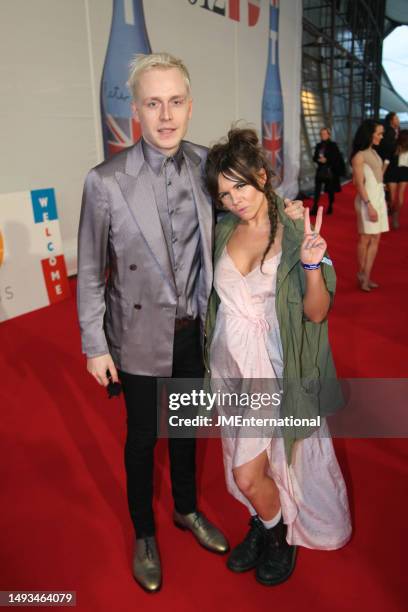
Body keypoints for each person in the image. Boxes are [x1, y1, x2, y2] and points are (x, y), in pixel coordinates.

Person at [77, 53, 228, 593]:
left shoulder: (210, 166)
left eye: (176, 101)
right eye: (153, 103)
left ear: (190, 105)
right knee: (143, 438)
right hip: (136, 336)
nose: (166, 115)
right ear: (136, 109)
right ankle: (145, 531)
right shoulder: (106, 181)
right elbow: (92, 272)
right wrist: (95, 346)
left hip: (194, 333)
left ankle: (186, 509)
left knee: (186, 428)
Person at [204, 128, 351, 587]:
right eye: (225, 193)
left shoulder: (295, 232)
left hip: (273, 371)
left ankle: (279, 533)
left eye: (241, 185)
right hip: (231, 371)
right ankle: (264, 521)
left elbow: (317, 311)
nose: (235, 199)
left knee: (247, 473)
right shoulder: (223, 228)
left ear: (262, 177)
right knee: (256, 461)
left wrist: (311, 264)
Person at [351, 120, 389, 292]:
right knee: (365, 238)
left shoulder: (373, 152)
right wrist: (369, 205)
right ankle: (362, 274)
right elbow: (358, 184)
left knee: (375, 239)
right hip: (368, 201)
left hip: (378, 198)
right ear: (370, 134)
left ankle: (366, 275)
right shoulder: (359, 156)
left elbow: (376, 176)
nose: (381, 137)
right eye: (379, 133)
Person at [310, 127, 345, 216]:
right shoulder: (318, 145)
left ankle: (330, 206)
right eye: (321, 134)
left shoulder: (333, 145)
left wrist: (327, 160)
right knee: (317, 190)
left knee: (330, 190)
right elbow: (314, 157)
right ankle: (315, 207)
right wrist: (319, 160)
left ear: (329, 135)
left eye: (325, 134)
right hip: (320, 170)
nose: (323, 136)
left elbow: (336, 158)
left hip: (330, 171)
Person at [378, 112, 400, 226]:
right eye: (396, 118)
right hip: (390, 167)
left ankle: (390, 213)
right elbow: (388, 151)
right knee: (391, 194)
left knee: (391, 194)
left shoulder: (396, 131)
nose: (399, 120)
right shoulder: (389, 133)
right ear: (391, 120)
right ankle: (391, 214)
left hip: (393, 167)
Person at [390, 129, 408, 228]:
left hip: (404, 172)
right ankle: (392, 213)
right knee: (392, 199)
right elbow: (387, 159)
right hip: (392, 172)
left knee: (400, 199)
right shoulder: (394, 146)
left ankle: (395, 216)